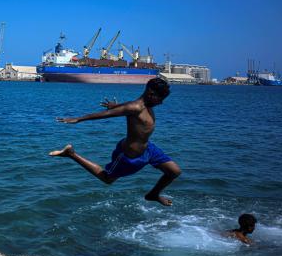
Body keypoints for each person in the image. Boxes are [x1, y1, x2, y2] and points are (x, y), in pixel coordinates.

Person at [49, 78, 182, 206]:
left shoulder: (143, 104)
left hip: (149, 149)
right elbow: (106, 114)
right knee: (107, 178)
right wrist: (79, 119)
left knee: (174, 172)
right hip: (129, 156)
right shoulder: (136, 107)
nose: (161, 103)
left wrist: (116, 105)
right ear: (151, 93)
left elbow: (128, 105)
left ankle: (153, 195)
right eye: (160, 99)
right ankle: (71, 154)